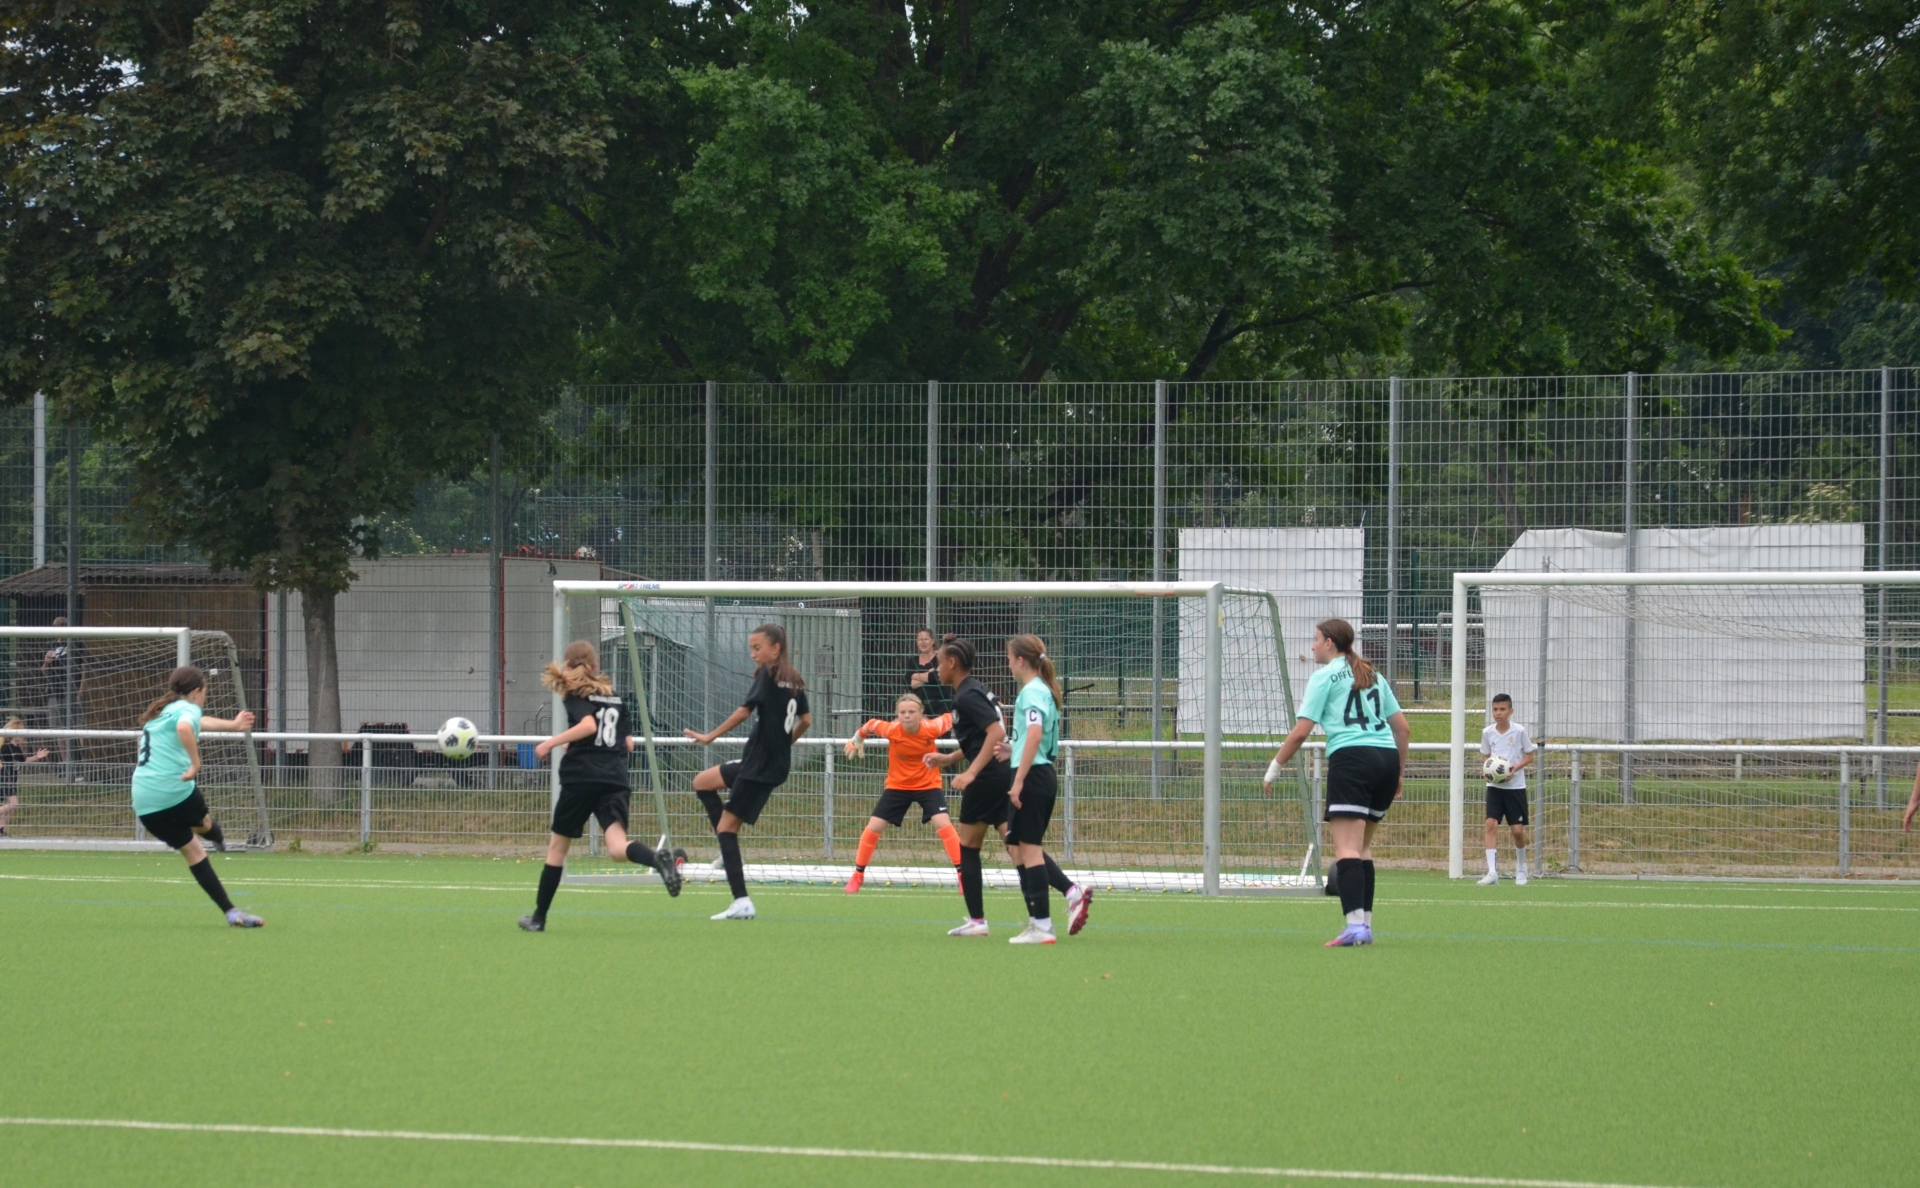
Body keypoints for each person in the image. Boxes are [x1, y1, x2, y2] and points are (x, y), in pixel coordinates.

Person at [923, 635, 1089, 938]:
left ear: (952, 663)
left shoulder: (991, 694)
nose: (936, 669)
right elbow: (992, 738)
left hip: (1001, 776)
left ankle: (1007, 922)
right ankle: (1061, 898)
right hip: (1009, 772)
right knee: (1018, 848)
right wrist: (950, 759)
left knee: (977, 846)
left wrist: (974, 773)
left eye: (939, 663)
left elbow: (1000, 733)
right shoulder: (983, 690)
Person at [519, 641, 683, 933]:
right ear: (596, 666)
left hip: (581, 778)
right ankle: (657, 859)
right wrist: (583, 743)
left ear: (569, 666)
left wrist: (551, 743)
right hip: (614, 778)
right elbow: (628, 744)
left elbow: (588, 726)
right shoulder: (614, 696)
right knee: (618, 848)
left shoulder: (575, 692)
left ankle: (538, 918)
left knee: (557, 849)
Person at [1266, 618, 1409, 947]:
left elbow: (1301, 731)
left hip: (1353, 760)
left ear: (1329, 643)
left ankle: (1355, 926)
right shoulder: (1372, 673)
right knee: (1362, 848)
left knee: (1346, 848)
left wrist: (1274, 767)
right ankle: (1364, 925)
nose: (1312, 646)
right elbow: (1403, 728)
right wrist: (1399, 772)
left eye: (1316, 639)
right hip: (1386, 760)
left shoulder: (1324, 677)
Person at [684, 624, 811, 920]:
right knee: (702, 782)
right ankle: (725, 849)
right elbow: (805, 720)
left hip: (759, 768)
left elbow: (745, 710)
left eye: (757, 648)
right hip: (762, 763)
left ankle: (741, 901)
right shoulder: (792, 679)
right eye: (751, 648)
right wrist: (783, 745)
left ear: (775, 649)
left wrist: (709, 736)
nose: (753, 654)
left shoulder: (769, 673)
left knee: (727, 829)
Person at [131, 666, 263, 927]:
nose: (204, 698)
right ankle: (218, 837)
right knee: (204, 824)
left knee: (193, 850)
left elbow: (198, 722)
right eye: (205, 693)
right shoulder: (187, 710)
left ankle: (231, 912)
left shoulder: (164, 710)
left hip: (144, 801)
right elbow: (185, 727)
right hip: (174, 790)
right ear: (196, 692)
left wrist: (233, 725)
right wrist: (195, 763)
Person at [843, 693, 961, 893]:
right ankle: (858, 875)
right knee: (874, 827)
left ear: (921, 713)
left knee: (943, 823)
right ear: (897, 715)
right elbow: (870, 725)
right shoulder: (891, 729)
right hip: (897, 786)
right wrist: (857, 739)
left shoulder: (933, 727)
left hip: (928, 785)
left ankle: (963, 875)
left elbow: (955, 716)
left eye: (912, 712)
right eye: (902, 712)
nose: (907, 716)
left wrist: (985, 705)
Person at [1477, 693, 1537, 887]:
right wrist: (1487, 771)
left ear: (1510, 711)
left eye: (1502, 709)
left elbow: (1530, 755)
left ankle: (1521, 868)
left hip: (1515, 787)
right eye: (1495, 709)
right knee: (1490, 824)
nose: (1498, 713)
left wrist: (1514, 769)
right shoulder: (1487, 732)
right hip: (1495, 787)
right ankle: (1492, 872)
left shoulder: (1519, 731)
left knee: (1517, 831)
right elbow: (1486, 756)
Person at [41, 617, 82, 765]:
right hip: (54, 691)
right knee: (58, 728)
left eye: (62, 625)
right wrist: (46, 662)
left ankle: (82, 761)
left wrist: (80, 690)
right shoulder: (51, 645)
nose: (58, 628)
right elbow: (44, 671)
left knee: (77, 725)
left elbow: (84, 669)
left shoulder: (76, 645)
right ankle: (66, 763)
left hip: (72, 691)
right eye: (56, 626)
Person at [0, 717, 51, 836]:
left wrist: (37, 757)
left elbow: (24, 760)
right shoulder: (5, 747)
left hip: (12, 780)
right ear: (14, 733)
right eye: (21, 731)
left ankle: (0, 829)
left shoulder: (16, 748)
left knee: (11, 807)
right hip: (4, 779)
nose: (24, 734)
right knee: (14, 803)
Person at [906, 627, 950, 714]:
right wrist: (929, 674)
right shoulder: (912, 661)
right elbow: (908, 684)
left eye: (926, 639)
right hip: (918, 708)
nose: (923, 642)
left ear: (932, 641)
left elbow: (936, 677)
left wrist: (915, 676)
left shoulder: (940, 658)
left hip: (940, 707)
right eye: (920, 640)